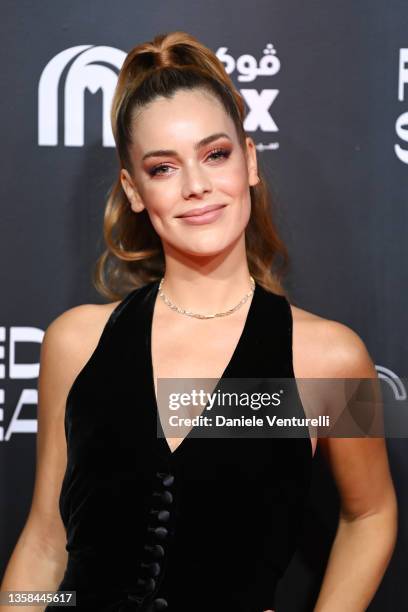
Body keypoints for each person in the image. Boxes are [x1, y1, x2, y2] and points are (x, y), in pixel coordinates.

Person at [1, 31, 398, 612]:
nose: (196, 187)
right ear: (134, 190)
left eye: (216, 154)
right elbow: (44, 540)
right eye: (163, 168)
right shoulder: (74, 343)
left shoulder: (330, 358)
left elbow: (371, 513)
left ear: (250, 160)